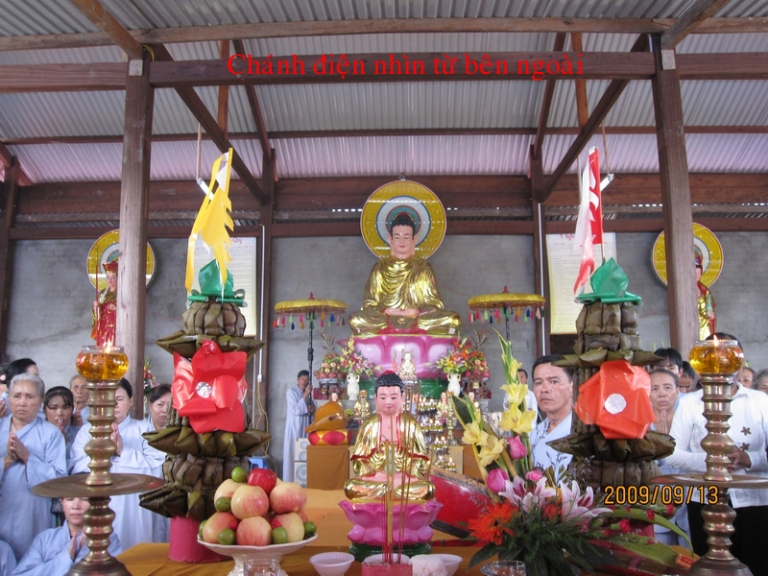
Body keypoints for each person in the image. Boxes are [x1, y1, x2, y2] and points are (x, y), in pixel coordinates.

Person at [666, 333, 768, 574]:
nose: (720, 365)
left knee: (756, 564)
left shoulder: (760, 401)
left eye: (727, 357)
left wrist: (749, 458)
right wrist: (711, 462)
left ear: (739, 361)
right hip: (704, 498)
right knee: (708, 567)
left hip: (754, 500)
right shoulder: (690, 403)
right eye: (713, 358)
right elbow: (671, 453)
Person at [70, 379, 165, 551]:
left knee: (135, 553)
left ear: (130, 401)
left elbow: (158, 469)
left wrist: (123, 451)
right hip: (98, 503)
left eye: (119, 399)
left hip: (134, 508)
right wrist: (103, 454)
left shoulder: (145, 430)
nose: (113, 405)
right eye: (108, 399)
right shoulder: (87, 431)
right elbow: (77, 468)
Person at [349, 213, 460, 335]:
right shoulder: (379, 268)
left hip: (417, 318)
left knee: (452, 320)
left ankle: (449, 337)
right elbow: (369, 304)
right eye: (397, 237)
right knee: (356, 321)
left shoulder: (423, 267)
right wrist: (387, 311)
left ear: (414, 239)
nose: (402, 241)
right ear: (390, 239)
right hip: (386, 318)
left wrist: (416, 312)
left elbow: (434, 304)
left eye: (406, 237)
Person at [0, 374, 67, 562]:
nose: (22, 402)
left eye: (29, 397)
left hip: (32, 513)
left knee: (32, 562)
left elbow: (59, 481)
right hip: (3, 508)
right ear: (9, 398)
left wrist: (27, 456)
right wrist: (5, 462)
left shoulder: (51, 434)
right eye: (17, 396)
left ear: (41, 401)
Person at [345, 372, 434, 501]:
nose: (388, 402)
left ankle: (390, 492)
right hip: (377, 479)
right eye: (383, 397)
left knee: (428, 489)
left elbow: (420, 460)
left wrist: (405, 472)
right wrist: (375, 470)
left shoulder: (410, 424)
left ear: (403, 397)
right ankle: (390, 491)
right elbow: (359, 461)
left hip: (403, 480)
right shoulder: (369, 425)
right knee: (351, 487)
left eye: (393, 397)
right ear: (375, 398)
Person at [13, 496, 121, 576]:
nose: (76, 506)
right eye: (70, 499)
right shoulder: (45, 539)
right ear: (62, 502)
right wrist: (66, 557)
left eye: (84, 498)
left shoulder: (108, 538)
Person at [648, 369, 690, 547]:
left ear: (678, 391)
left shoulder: (690, 420)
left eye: (667, 387)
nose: (662, 393)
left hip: (690, 505)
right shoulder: (641, 425)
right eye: (655, 388)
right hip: (657, 507)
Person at [529, 355, 574, 474]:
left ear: (572, 387)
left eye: (554, 381)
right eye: (538, 383)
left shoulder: (581, 433)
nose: (544, 389)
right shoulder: (533, 434)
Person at [282, 370, 314, 482]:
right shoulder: (291, 392)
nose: (304, 382)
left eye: (307, 379)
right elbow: (296, 410)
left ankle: (302, 481)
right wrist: (306, 394)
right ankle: (290, 480)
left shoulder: (308, 396)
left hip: (304, 427)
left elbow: (312, 411)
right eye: (302, 379)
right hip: (294, 427)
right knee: (292, 453)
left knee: (303, 453)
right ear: (298, 380)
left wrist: (311, 409)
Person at [43, 387, 80, 463]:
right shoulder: (37, 433)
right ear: (44, 411)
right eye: (53, 408)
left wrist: (66, 444)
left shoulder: (79, 433)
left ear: (72, 409)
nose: (60, 413)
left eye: (65, 408)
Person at [91, 259, 118, 347]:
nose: (110, 280)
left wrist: (117, 309)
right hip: (104, 324)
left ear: (118, 278)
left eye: (112, 277)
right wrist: (96, 307)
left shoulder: (121, 292)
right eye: (108, 277)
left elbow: (128, 309)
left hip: (115, 324)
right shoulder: (103, 293)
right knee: (103, 345)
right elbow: (97, 314)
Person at [695, 257, 715, 340]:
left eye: (698, 273)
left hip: (705, 327)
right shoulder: (684, 290)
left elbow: (711, 312)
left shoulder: (705, 291)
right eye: (694, 273)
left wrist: (711, 314)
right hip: (690, 326)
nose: (696, 276)